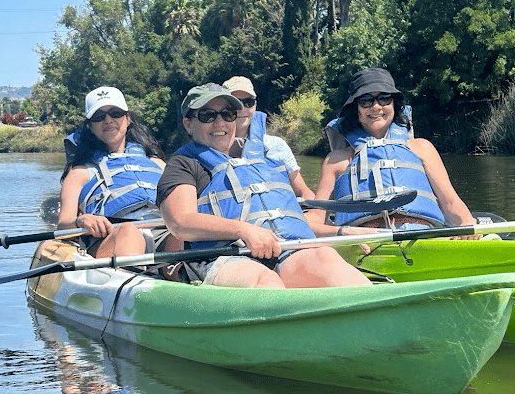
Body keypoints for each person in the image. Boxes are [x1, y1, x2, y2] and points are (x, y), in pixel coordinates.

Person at [156, 83, 372, 289]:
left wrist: (338, 233)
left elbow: (286, 220)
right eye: (207, 115)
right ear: (188, 123)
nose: (220, 123)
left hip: (282, 249)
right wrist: (244, 230)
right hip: (223, 255)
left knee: (324, 257)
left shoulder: (260, 163)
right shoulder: (183, 164)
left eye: (228, 114)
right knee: (266, 282)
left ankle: (376, 308)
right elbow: (180, 221)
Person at [312, 68, 478, 236]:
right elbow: (314, 219)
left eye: (385, 98)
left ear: (394, 104)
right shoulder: (336, 160)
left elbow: (451, 203)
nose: (376, 106)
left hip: (423, 237)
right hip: (364, 243)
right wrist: (342, 232)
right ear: (356, 109)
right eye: (366, 101)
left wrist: (467, 221)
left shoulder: (423, 148)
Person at [58, 86, 179, 259]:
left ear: (127, 119)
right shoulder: (79, 172)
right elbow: (63, 224)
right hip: (111, 237)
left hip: (161, 230)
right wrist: (81, 220)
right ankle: (133, 273)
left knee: (180, 234)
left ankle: (180, 271)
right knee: (129, 232)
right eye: (99, 116)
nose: (108, 120)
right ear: (90, 126)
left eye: (115, 113)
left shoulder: (157, 163)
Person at [222, 76, 315, 199]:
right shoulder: (211, 148)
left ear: (255, 105)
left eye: (248, 102)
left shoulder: (277, 145)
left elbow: (303, 191)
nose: (242, 109)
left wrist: (314, 210)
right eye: (235, 103)